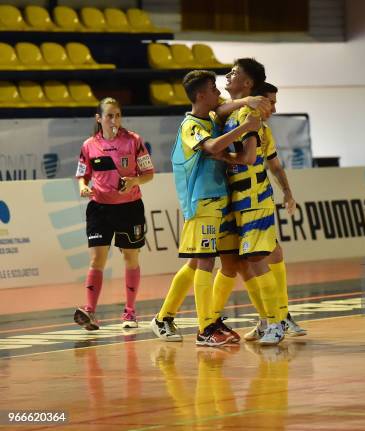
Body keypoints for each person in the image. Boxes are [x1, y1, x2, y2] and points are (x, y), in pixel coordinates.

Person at [150, 80, 271, 342]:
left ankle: (166, 318)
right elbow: (212, 147)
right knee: (204, 261)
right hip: (202, 201)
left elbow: (226, 107)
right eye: (214, 89)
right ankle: (205, 329)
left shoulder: (213, 117)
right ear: (202, 95)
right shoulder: (190, 125)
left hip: (223, 198)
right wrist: (246, 127)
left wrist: (245, 102)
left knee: (216, 262)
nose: (219, 93)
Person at [211, 82, 307, 340]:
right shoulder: (238, 116)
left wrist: (287, 191)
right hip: (237, 201)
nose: (274, 109)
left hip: (255, 199)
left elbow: (264, 162)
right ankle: (270, 319)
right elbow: (218, 109)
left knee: (259, 257)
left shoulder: (254, 123)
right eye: (271, 102)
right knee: (250, 259)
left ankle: (277, 321)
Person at [74, 97, 154, 330]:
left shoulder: (134, 141)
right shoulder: (89, 145)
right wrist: (82, 187)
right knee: (96, 259)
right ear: (99, 119)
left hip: (130, 208)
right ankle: (89, 312)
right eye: (109, 116)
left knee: (130, 258)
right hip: (99, 209)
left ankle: (129, 312)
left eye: (117, 115)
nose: (114, 120)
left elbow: (149, 173)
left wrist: (134, 181)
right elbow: (82, 174)